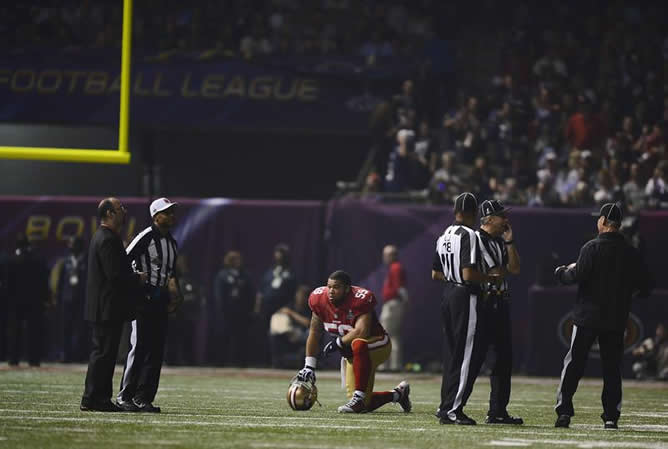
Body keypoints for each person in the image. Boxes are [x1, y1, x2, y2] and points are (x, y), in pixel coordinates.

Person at [553, 203, 653, 429]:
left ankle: (564, 412)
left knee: (574, 364)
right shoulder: (630, 251)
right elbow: (646, 287)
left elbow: (576, 276)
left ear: (604, 221)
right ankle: (610, 417)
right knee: (612, 368)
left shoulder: (591, 248)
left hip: (587, 317)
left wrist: (560, 272)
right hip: (615, 319)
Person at [295, 270, 411, 414]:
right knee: (362, 402)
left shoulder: (359, 299)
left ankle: (360, 398)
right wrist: (309, 366)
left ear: (347, 289)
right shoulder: (319, 299)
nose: (331, 291)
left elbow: (362, 332)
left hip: (377, 344)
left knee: (358, 343)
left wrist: (338, 343)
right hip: (353, 354)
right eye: (329, 286)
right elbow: (314, 332)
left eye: (336, 287)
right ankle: (398, 394)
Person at [432, 192, 500, 425]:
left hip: (448, 294)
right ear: (474, 213)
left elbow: (435, 273)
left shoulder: (444, 235)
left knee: (452, 355)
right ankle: (453, 410)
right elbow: (468, 274)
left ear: (455, 211)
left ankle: (445, 406)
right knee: (466, 356)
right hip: (465, 296)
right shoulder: (469, 235)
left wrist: (454, 278)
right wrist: (489, 279)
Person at [81, 198, 147, 412]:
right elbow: (115, 275)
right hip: (107, 306)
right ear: (109, 213)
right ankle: (98, 398)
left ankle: (91, 397)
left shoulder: (101, 236)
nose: (124, 211)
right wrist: (137, 278)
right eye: (120, 208)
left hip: (102, 305)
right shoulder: (108, 238)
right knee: (105, 354)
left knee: (101, 352)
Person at [117, 197, 180, 413]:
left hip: (160, 300)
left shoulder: (172, 243)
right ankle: (125, 396)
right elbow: (123, 260)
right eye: (167, 212)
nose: (171, 216)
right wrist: (136, 281)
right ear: (155, 216)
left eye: (172, 212)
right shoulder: (144, 237)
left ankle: (144, 397)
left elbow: (171, 273)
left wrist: (175, 293)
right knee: (139, 347)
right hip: (143, 300)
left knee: (156, 351)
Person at [475, 200, 523, 425]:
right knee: (474, 359)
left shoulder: (499, 241)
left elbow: (514, 269)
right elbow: (496, 272)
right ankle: (451, 406)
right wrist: (501, 271)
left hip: (500, 302)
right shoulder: (477, 240)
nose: (506, 219)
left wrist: (510, 241)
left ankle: (498, 411)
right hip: (485, 304)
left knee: (503, 360)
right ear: (490, 218)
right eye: (501, 215)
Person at [6, 233, 49, 367]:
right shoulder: (38, 260)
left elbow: (8, 284)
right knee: (34, 331)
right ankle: (34, 359)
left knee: (15, 331)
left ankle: (14, 359)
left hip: (16, 302)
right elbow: (43, 282)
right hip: (34, 302)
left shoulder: (11, 260)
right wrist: (44, 299)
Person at [255, 244, 296, 366]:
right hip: (266, 308)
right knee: (263, 334)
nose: (278, 257)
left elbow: (292, 292)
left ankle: (277, 361)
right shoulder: (271, 272)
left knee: (277, 334)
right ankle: (263, 360)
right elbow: (261, 290)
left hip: (281, 309)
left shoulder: (290, 273)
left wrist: (287, 308)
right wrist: (257, 307)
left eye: (281, 255)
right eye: (277, 254)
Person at [213, 250, 255, 366]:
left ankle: (241, 362)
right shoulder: (222, 275)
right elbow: (219, 294)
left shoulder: (245, 275)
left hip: (242, 313)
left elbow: (250, 294)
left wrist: (249, 310)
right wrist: (222, 310)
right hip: (227, 312)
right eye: (235, 259)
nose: (238, 262)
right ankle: (221, 362)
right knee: (224, 337)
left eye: (239, 259)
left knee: (241, 338)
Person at [52, 236, 89, 362]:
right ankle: (65, 355)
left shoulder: (87, 261)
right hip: (67, 299)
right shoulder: (66, 261)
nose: (71, 247)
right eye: (70, 244)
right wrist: (58, 297)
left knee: (80, 329)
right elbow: (61, 282)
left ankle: (79, 355)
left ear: (80, 246)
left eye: (74, 244)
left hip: (81, 299)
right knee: (65, 328)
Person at [379, 244, 408, 372]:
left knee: (384, 333)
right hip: (395, 303)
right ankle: (394, 365)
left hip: (393, 304)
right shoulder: (395, 268)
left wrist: (405, 301)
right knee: (393, 335)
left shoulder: (396, 268)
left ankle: (385, 365)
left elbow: (400, 287)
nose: (384, 258)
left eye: (386, 255)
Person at [269, 284, 311, 368]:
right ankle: (277, 364)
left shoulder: (310, 308)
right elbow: (280, 314)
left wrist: (292, 314)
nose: (300, 298)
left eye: (303, 296)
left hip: (303, 334)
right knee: (275, 333)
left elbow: (308, 323)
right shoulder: (291, 305)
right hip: (288, 332)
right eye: (299, 295)